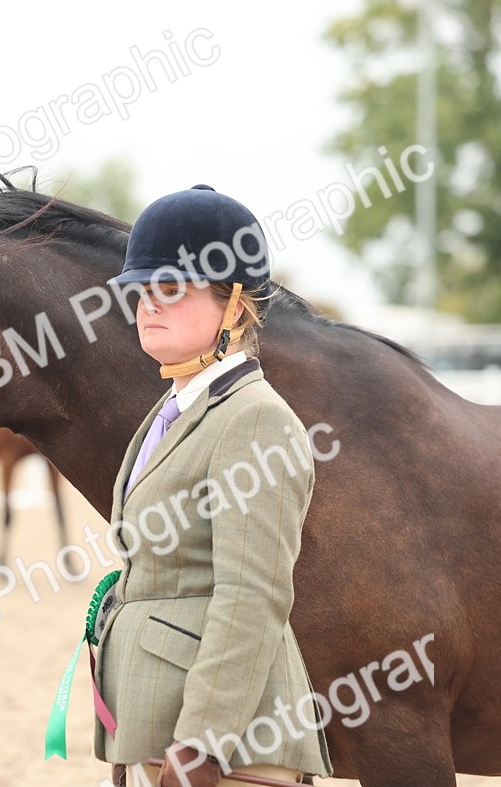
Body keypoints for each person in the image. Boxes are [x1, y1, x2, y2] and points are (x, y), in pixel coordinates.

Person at [94, 185, 333, 787]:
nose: (149, 304)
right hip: (156, 722)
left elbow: (252, 594)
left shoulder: (255, 420)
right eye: (143, 290)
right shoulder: (175, 408)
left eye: (171, 289)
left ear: (236, 307)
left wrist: (202, 744)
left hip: (228, 748)